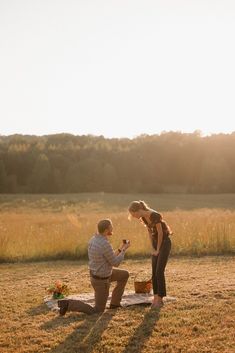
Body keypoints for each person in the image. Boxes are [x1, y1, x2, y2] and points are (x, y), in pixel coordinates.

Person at [58, 218, 130, 315]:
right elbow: (115, 263)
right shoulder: (104, 243)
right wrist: (125, 249)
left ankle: (115, 303)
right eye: (111, 227)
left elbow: (109, 256)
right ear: (106, 230)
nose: (113, 228)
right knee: (98, 310)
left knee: (124, 275)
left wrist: (120, 248)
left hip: (101, 274)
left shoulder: (94, 239)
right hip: (101, 280)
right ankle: (67, 304)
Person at [128, 200, 172, 309]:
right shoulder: (143, 217)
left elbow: (160, 233)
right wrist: (152, 247)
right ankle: (156, 296)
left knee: (159, 271)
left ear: (138, 210)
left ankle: (160, 299)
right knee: (154, 272)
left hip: (164, 243)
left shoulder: (154, 215)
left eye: (134, 214)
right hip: (155, 244)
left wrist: (158, 249)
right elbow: (149, 232)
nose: (134, 217)